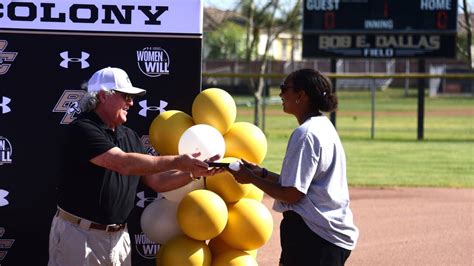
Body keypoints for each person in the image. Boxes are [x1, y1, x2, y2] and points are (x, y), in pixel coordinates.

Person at [48, 67, 222, 265]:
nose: (131, 102)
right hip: (79, 236)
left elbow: (157, 181)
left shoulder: (129, 136)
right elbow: (123, 163)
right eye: (125, 96)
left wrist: (193, 173)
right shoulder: (82, 130)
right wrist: (178, 161)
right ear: (103, 96)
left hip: (119, 238)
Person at [229, 68, 359, 266]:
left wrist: (251, 179)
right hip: (325, 234)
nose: (281, 94)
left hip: (314, 234)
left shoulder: (305, 134)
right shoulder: (322, 125)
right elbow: (302, 182)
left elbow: (292, 194)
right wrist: (262, 173)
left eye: (284, 88)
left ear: (300, 95)